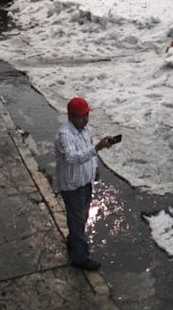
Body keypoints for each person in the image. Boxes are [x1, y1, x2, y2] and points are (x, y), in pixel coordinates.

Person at [54, 97, 114, 271]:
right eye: (82, 116)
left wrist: (95, 168)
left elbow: (89, 151)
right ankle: (80, 258)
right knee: (77, 220)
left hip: (85, 182)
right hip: (72, 186)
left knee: (82, 218)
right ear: (71, 117)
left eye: (87, 115)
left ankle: (73, 239)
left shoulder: (86, 129)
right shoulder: (64, 135)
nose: (86, 119)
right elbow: (72, 158)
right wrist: (97, 148)